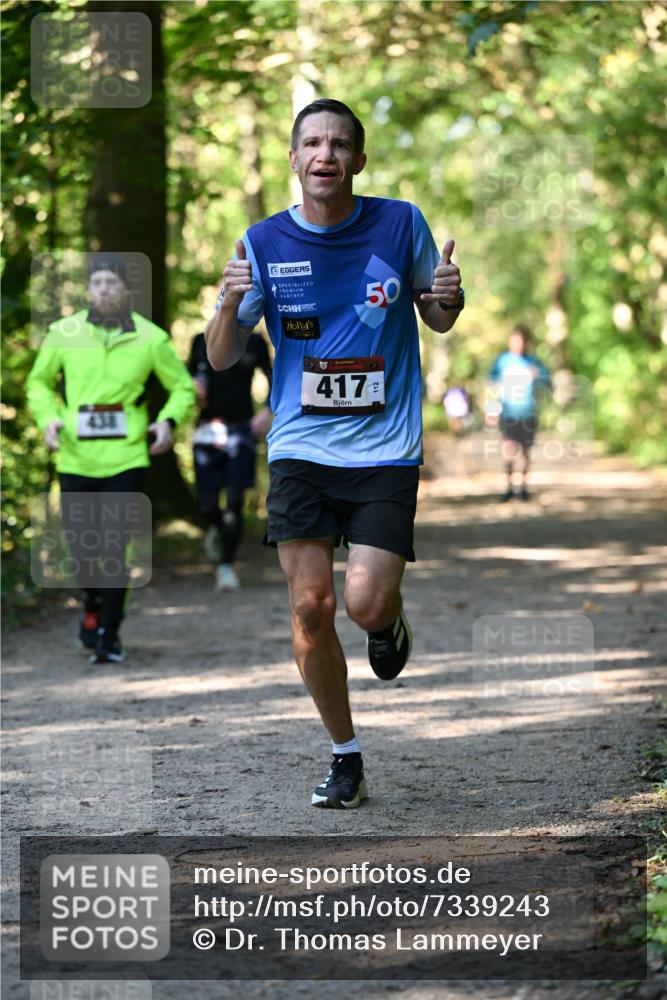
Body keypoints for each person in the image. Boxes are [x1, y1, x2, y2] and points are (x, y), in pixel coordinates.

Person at [205, 99, 464, 809]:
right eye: (312, 143)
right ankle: (344, 755)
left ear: (358, 159)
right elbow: (222, 358)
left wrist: (448, 296)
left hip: (384, 448)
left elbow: (435, 318)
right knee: (312, 608)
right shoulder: (260, 242)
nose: (325, 155)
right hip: (299, 447)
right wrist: (227, 305)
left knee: (362, 602)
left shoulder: (400, 221)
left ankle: (387, 623)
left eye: (339, 144)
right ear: (293, 159)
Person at [27, 255, 195, 663]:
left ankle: (109, 633)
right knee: (82, 549)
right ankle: (91, 605)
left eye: (111, 282)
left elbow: (182, 388)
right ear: (89, 290)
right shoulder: (63, 333)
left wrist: (168, 421)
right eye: (97, 282)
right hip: (75, 459)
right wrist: (49, 420)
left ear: (125, 290)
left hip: (127, 457)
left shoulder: (151, 338)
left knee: (115, 545)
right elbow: (38, 383)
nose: (104, 289)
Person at [187, 328, 272, 591]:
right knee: (206, 505)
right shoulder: (200, 341)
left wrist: (267, 410)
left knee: (235, 503)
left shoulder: (254, 342)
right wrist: (193, 388)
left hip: (241, 430)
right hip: (207, 430)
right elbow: (184, 380)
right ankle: (217, 529)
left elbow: (274, 377)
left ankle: (226, 567)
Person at [487, 324, 551, 502]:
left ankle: (522, 488)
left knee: (525, 452)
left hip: (529, 413)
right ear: (510, 341)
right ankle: (508, 487)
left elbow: (548, 384)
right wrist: (491, 410)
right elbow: (491, 387)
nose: (518, 344)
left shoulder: (534, 362)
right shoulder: (502, 362)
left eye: (522, 341)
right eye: (515, 340)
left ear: (527, 343)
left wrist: (538, 375)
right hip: (508, 413)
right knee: (508, 449)